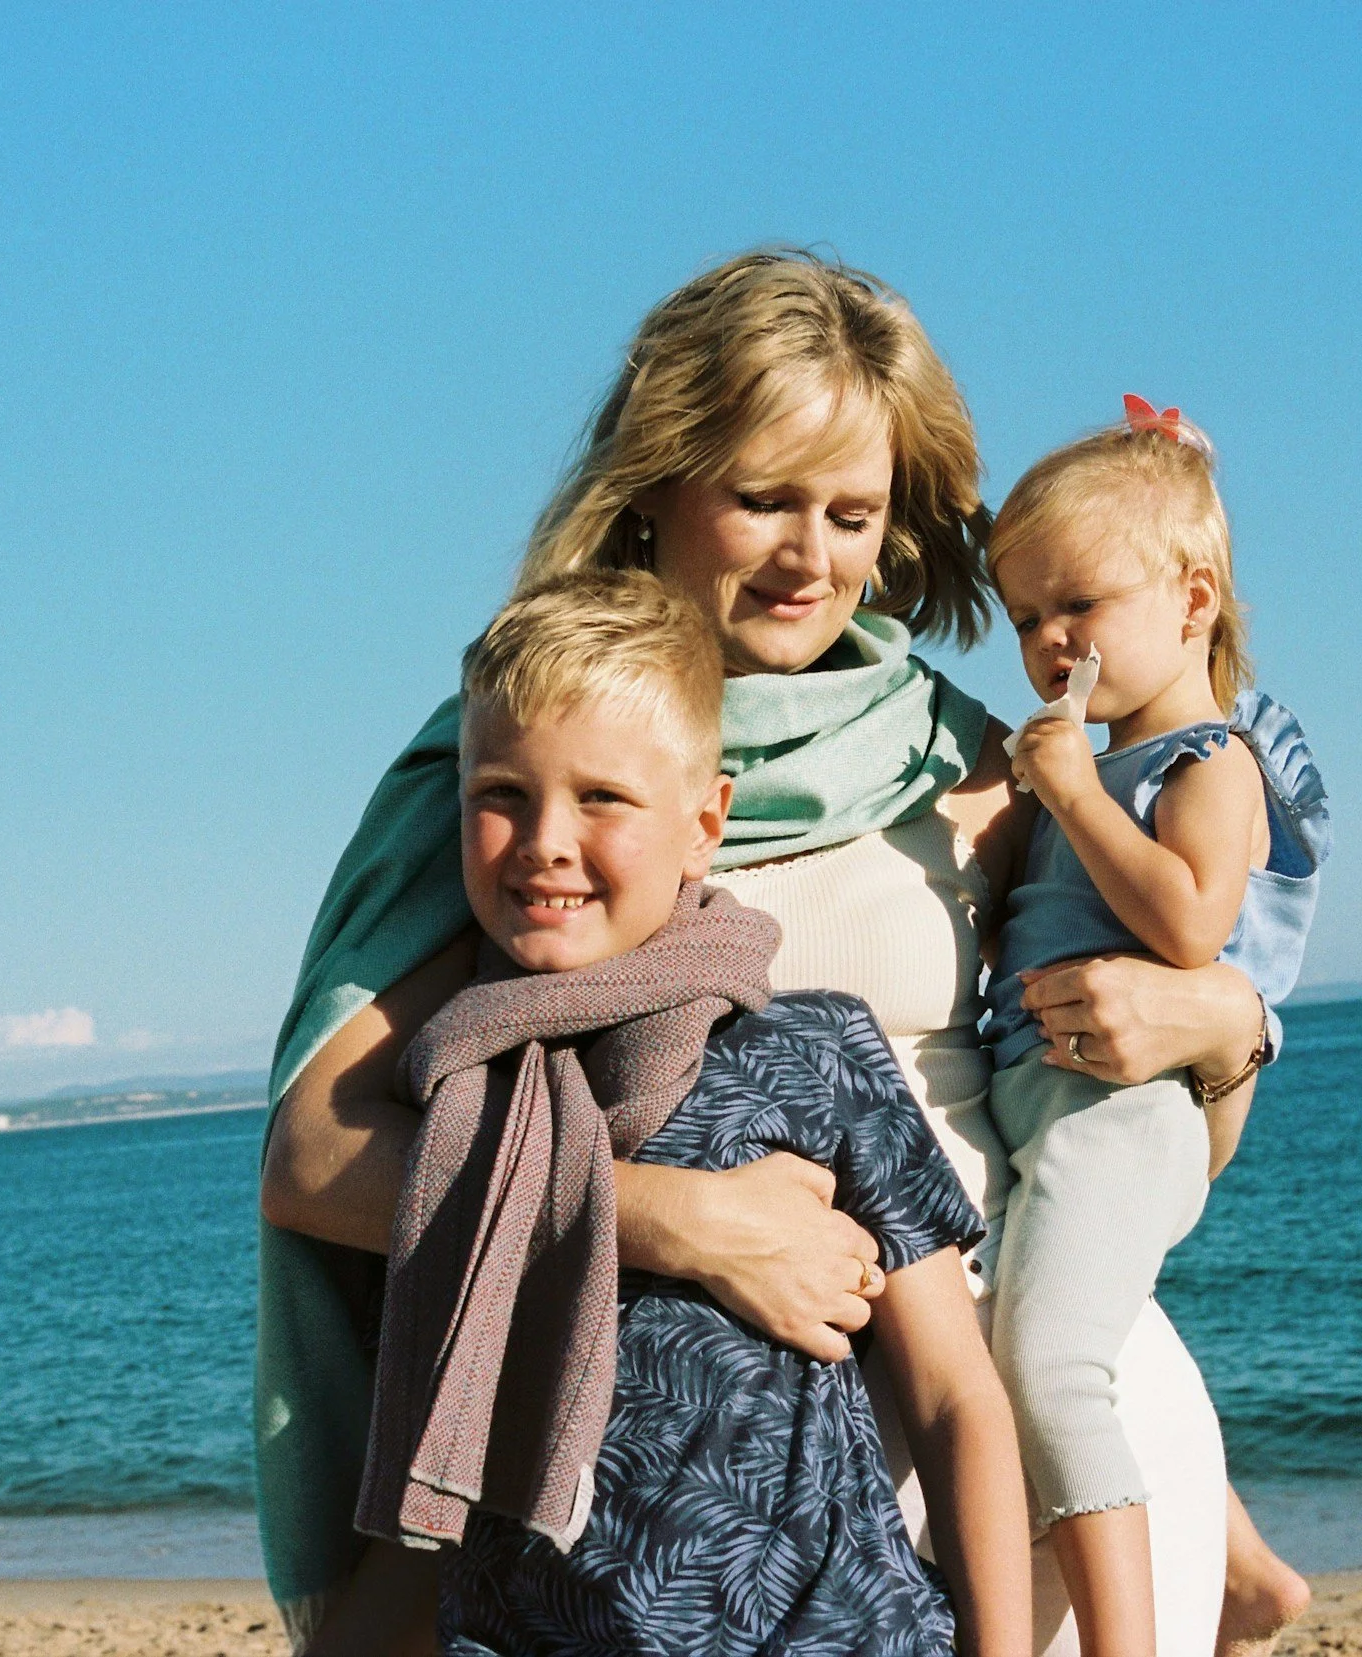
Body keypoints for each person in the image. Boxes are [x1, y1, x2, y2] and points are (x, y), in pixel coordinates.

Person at [258, 248, 1309, 1656]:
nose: (812, 556)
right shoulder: (523, 769)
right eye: (762, 498)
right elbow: (317, 1160)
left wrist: (1229, 1030)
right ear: (656, 485)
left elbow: (1145, 1141)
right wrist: (685, 1221)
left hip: (1020, 1436)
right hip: (691, 1474)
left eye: (853, 513)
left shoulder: (981, 762)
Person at [364, 570, 1030, 1655]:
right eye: (501, 793)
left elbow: (955, 1394)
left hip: (838, 1628)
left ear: (703, 820)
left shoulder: (812, 1051)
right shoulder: (449, 1087)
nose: (543, 838)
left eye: (602, 798)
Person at [986, 402, 1331, 1657]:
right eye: (1023, 616)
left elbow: (1191, 927)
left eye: (1076, 603)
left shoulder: (1207, 764)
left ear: (1191, 602)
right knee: (1051, 1332)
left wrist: (1071, 789)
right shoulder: (1093, 766)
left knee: (1053, 1363)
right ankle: (1237, 1571)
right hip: (1043, 1095)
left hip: (1119, 1114)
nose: (1046, 640)